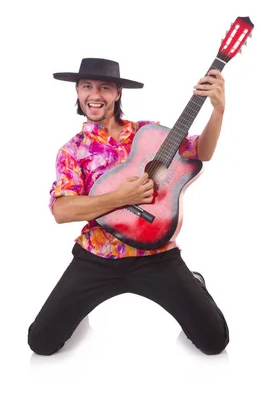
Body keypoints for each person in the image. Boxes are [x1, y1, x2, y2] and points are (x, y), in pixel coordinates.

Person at [27, 58, 229, 356]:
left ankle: (195, 283)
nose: (94, 94)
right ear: (78, 92)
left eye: (104, 87)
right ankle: (78, 309)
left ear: (117, 93)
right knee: (41, 343)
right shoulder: (72, 150)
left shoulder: (148, 133)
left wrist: (218, 110)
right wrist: (120, 198)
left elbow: (201, 151)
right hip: (96, 258)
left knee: (214, 343)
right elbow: (62, 211)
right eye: (86, 86)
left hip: (157, 255)